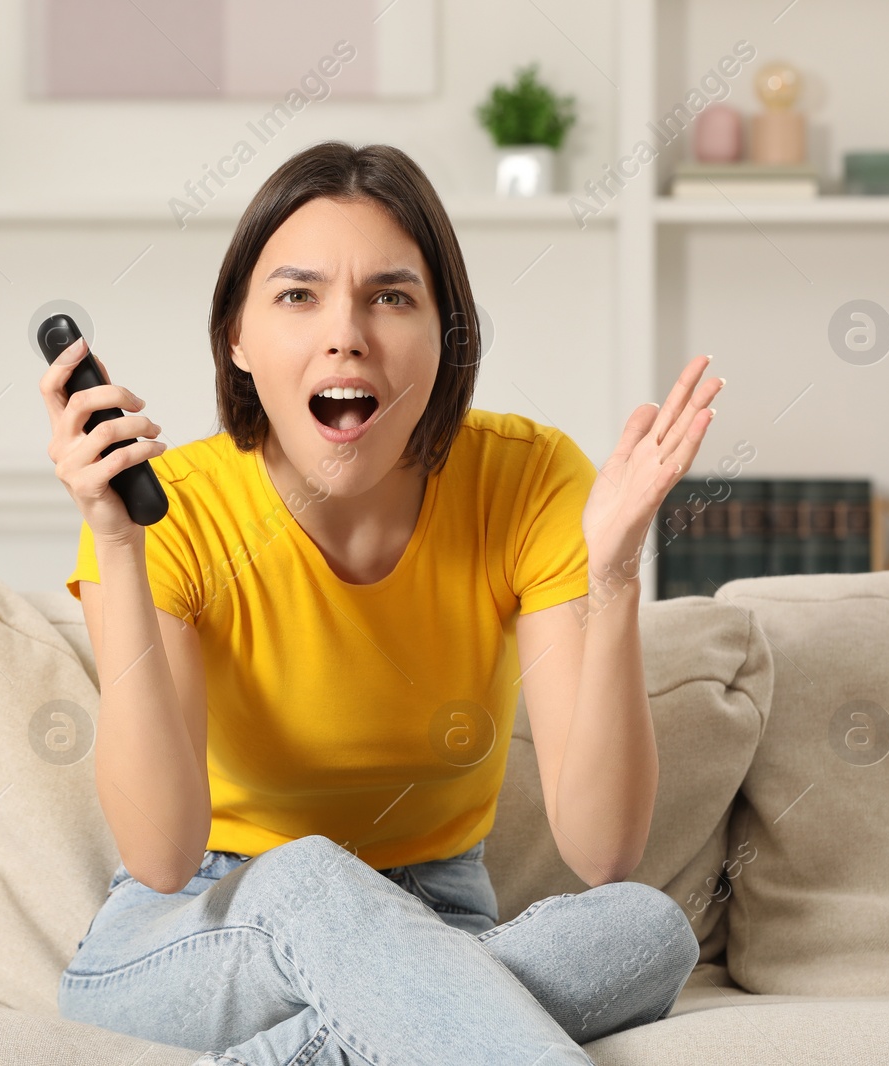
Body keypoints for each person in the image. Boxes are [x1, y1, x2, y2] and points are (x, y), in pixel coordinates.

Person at [37, 140, 725, 1065]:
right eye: (297, 295)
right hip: (196, 929)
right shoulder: (171, 508)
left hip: (438, 918)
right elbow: (161, 858)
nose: (345, 333)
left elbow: (602, 850)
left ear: (450, 335)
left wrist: (612, 579)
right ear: (237, 339)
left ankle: (387, 1026)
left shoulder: (527, 482)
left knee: (645, 929)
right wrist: (119, 544)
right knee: (312, 874)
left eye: (392, 296)